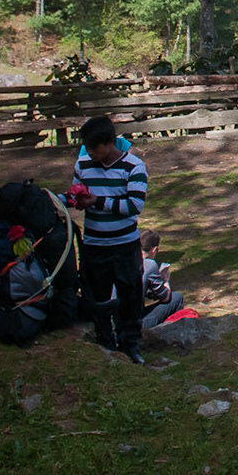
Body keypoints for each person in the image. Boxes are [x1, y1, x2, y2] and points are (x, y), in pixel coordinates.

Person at [67, 115, 149, 363]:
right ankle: (105, 340)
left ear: (109, 143)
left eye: (95, 147)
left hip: (124, 246)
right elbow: (75, 196)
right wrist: (72, 201)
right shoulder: (82, 166)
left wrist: (97, 202)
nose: (91, 152)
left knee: (131, 297)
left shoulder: (134, 167)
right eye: (88, 147)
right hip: (94, 245)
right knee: (98, 297)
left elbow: (134, 205)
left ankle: (131, 344)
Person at [139, 230, 186, 331]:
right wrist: (165, 279)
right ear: (154, 250)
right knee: (177, 298)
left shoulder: (121, 260)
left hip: (110, 319)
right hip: (135, 324)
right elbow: (165, 298)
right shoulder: (149, 265)